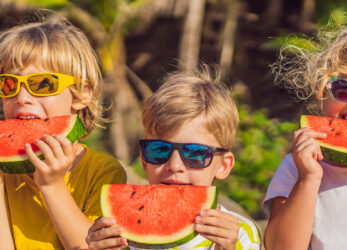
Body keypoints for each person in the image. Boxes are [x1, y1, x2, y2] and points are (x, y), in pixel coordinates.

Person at [86, 66, 261, 250]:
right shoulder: (120, 231)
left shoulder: (239, 234)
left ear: (224, 166)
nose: (174, 165)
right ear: (144, 159)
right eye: (159, 150)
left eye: (195, 153)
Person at [263, 15, 347, 250]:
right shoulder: (297, 166)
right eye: (345, 90)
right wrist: (308, 179)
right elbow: (280, 247)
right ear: (322, 93)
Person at [0, 17, 127, 249]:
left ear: (81, 94)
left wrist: (51, 186)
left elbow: (88, 247)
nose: (22, 98)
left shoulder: (103, 172)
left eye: (43, 84)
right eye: (8, 84)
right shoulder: (4, 173)